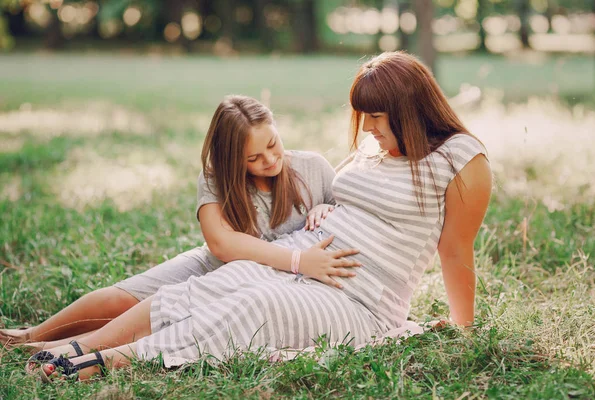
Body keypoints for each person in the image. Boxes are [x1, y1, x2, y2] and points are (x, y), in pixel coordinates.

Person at [34, 51, 493, 382]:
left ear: (410, 109)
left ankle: (108, 362)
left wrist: (464, 328)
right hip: (299, 261)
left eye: (376, 116)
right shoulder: (377, 151)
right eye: (364, 117)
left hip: (360, 300)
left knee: (253, 306)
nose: (368, 128)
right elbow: (352, 201)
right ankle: (77, 345)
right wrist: (328, 208)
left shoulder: (459, 159)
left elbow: (455, 250)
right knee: (209, 285)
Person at [2, 95, 360, 353]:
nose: (270, 160)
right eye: (253, 157)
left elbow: (350, 214)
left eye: (273, 144)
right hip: (213, 266)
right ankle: (31, 334)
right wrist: (299, 260)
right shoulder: (215, 179)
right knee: (122, 299)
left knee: (153, 321)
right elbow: (222, 244)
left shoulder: (313, 168)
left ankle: (57, 348)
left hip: (256, 287)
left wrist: (326, 211)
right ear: (231, 159)